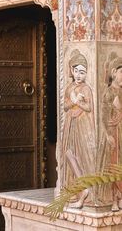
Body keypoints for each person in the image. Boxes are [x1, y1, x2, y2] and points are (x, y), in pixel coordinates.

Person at [62, 50, 96, 208]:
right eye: (76, 71)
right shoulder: (69, 87)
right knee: (68, 153)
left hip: (82, 127)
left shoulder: (86, 89)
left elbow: (89, 108)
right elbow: (65, 106)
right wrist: (73, 101)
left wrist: (79, 102)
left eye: (82, 72)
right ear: (71, 71)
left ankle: (84, 192)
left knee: (81, 156)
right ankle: (82, 189)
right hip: (71, 124)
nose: (79, 75)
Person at [101, 56, 122, 211]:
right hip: (114, 133)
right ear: (114, 72)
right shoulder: (108, 93)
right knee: (114, 165)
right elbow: (104, 117)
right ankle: (115, 198)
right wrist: (107, 135)